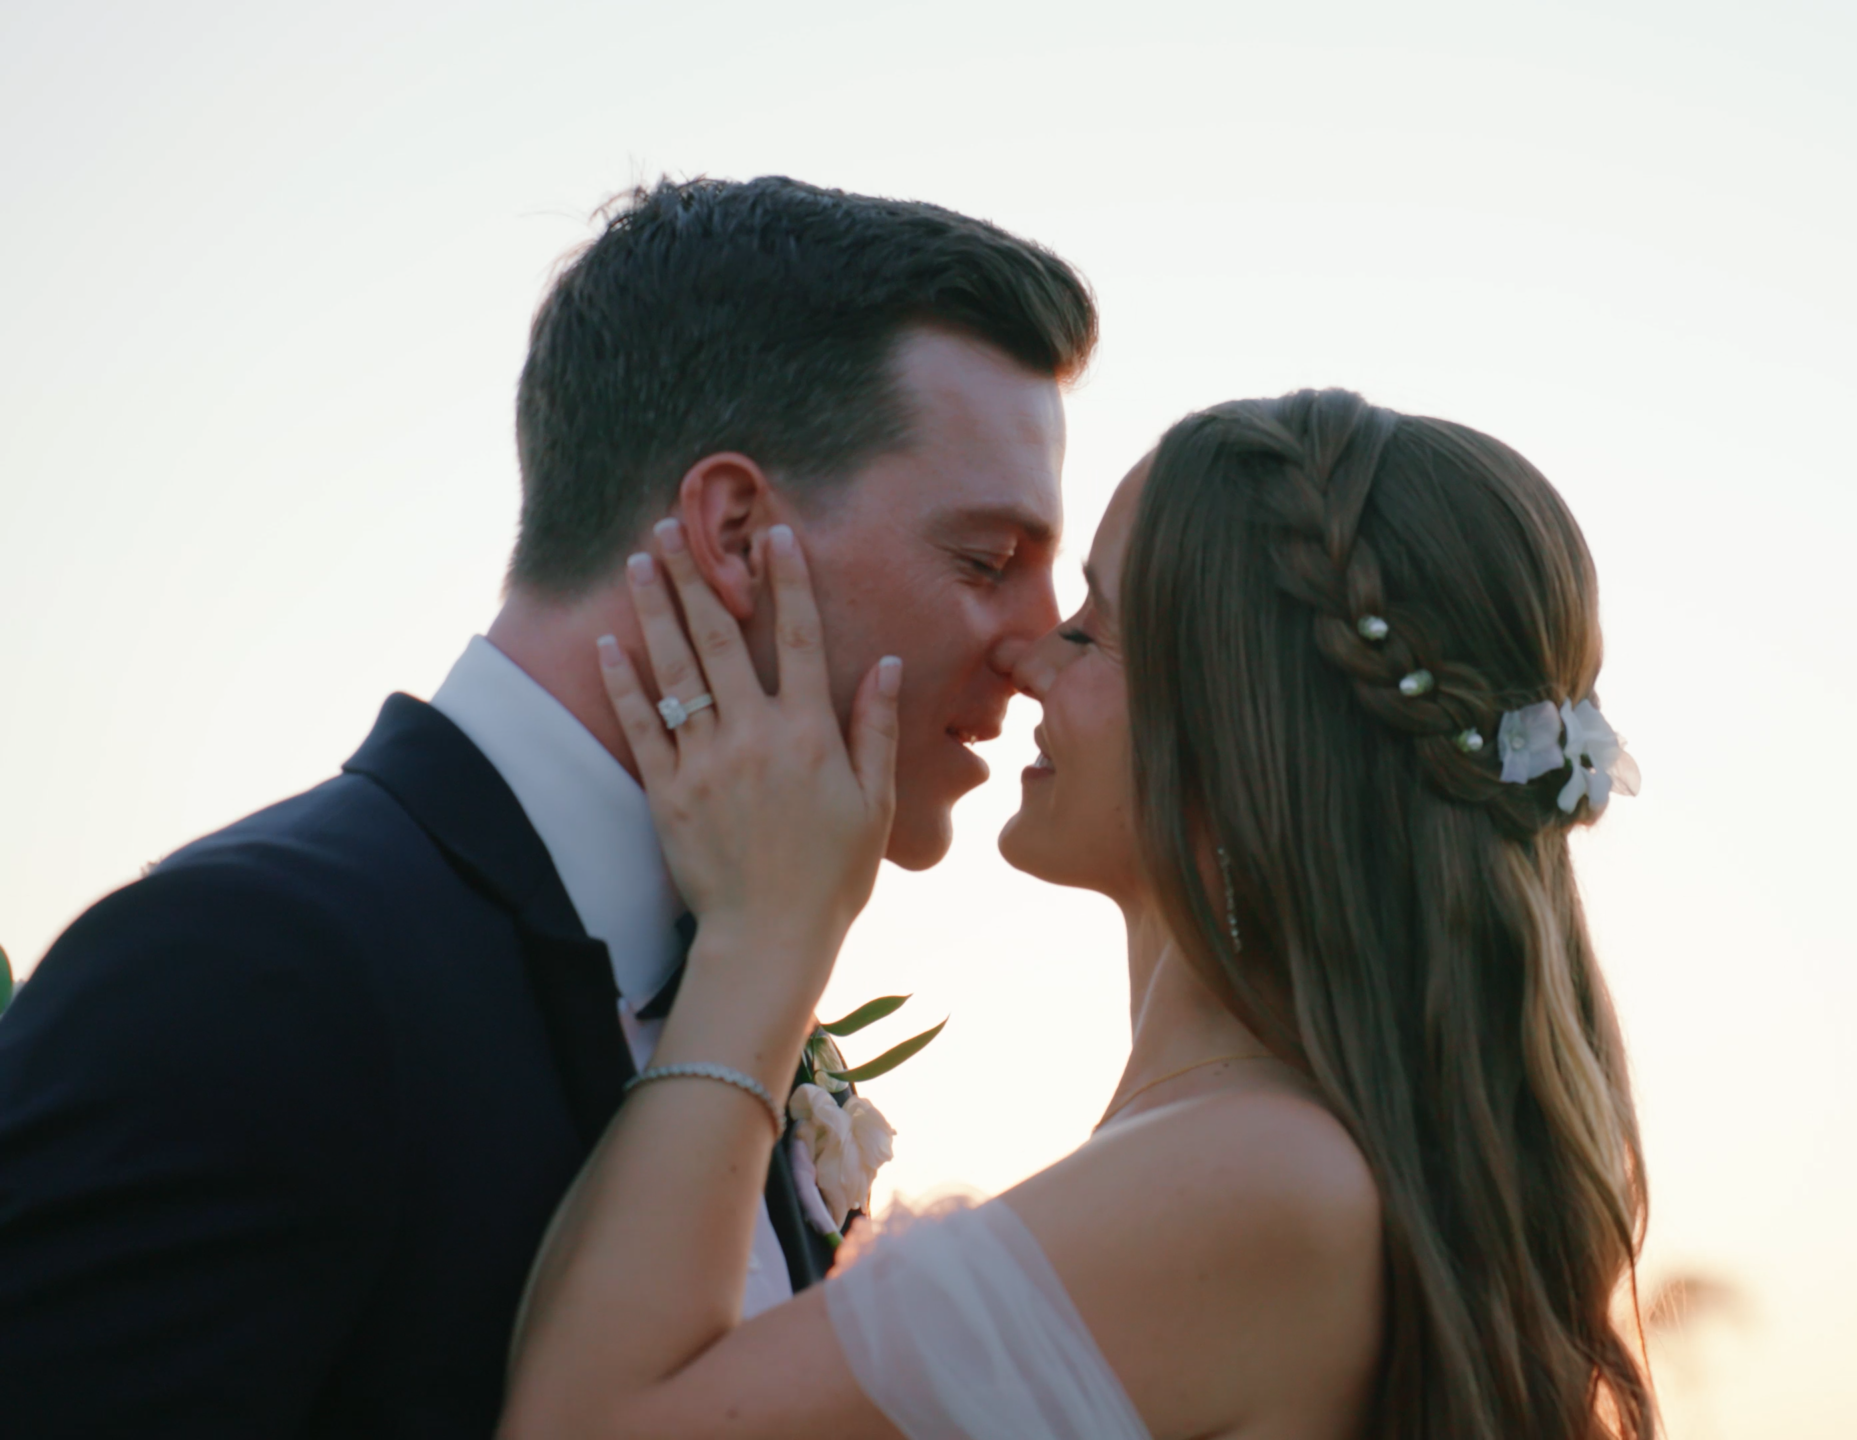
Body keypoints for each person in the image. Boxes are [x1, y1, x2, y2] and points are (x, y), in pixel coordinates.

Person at [0, 176, 1096, 1437]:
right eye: (985, 561)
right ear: (735, 534)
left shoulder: (735, 977)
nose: (1037, 641)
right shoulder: (246, 966)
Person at [502, 388, 1660, 1438]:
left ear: (1235, 736)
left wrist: (765, 945)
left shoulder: (1259, 1178)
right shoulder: (1251, 1150)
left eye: (1095, 628)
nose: (1030, 661)